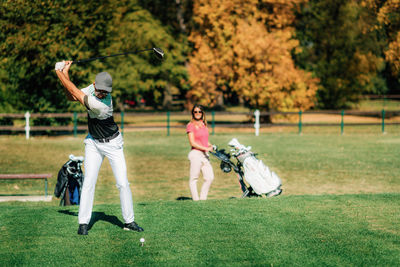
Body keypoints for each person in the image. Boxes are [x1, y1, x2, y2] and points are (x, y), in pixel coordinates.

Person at [55, 60, 143, 235]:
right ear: (94, 85)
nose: (102, 93)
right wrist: (65, 73)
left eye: (105, 92)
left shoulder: (102, 105)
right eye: (100, 90)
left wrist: (59, 72)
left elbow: (75, 92)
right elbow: (70, 95)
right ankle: (83, 223)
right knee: (88, 182)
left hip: (113, 144)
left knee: (122, 183)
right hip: (94, 143)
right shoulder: (92, 89)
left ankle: (129, 221)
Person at [186, 104, 215, 201]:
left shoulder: (204, 125)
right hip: (195, 154)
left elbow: (205, 140)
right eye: (195, 112)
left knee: (209, 177)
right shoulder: (190, 126)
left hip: (205, 155)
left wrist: (210, 145)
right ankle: (196, 200)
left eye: (199, 112)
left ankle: (203, 199)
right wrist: (205, 148)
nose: (197, 113)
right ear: (192, 113)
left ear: (202, 113)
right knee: (194, 178)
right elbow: (192, 143)